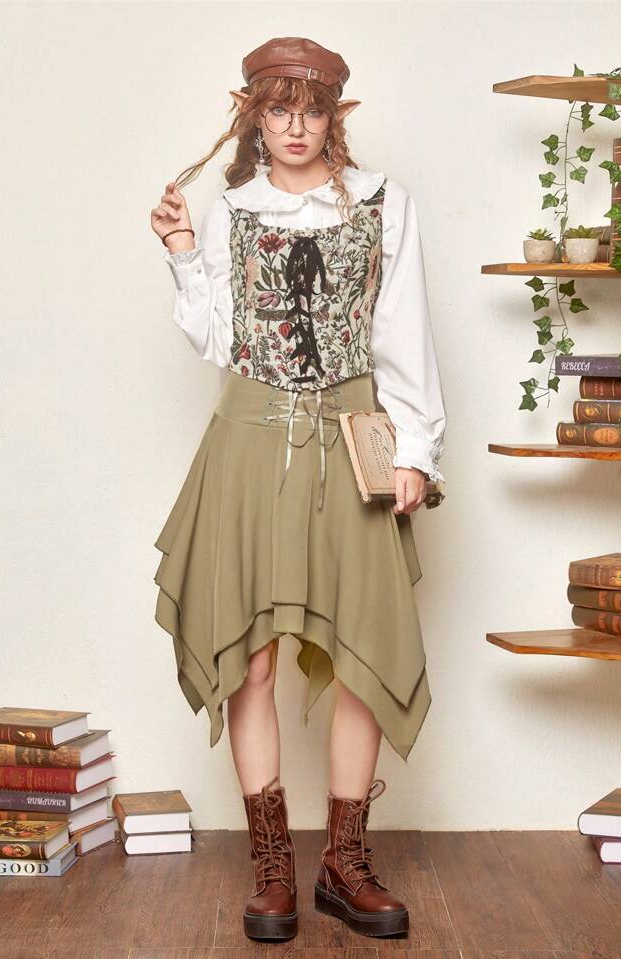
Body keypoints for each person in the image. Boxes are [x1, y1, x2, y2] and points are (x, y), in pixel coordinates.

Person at [149, 36, 446, 943]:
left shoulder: (385, 203)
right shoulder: (231, 209)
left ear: (333, 117)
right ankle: (272, 865)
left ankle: (343, 863)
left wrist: (416, 450)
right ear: (253, 115)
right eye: (277, 109)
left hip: (351, 442)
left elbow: (403, 332)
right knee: (251, 656)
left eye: (311, 110)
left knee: (362, 651)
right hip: (247, 445)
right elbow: (219, 338)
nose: (294, 127)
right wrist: (184, 250)